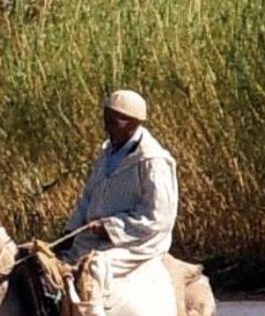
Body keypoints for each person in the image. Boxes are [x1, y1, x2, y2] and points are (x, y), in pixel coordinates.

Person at [63, 89, 179, 286]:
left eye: (113, 123)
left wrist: (110, 227)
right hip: (93, 240)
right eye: (105, 121)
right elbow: (89, 198)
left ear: (133, 123)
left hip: (136, 244)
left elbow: (159, 217)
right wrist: (70, 231)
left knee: (93, 268)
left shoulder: (153, 160)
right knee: (47, 267)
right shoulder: (107, 153)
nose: (107, 128)